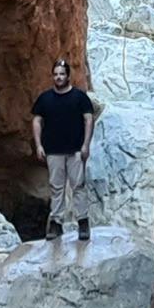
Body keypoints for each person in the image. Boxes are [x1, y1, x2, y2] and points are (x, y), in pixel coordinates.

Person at [30, 60, 102, 251]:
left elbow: (88, 119)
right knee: (56, 188)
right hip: (53, 150)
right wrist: (38, 145)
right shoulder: (45, 99)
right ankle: (56, 224)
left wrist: (86, 144)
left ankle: (83, 223)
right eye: (56, 74)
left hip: (75, 150)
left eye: (62, 74)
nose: (59, 77)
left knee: (78, 186)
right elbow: (37, 120)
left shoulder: (79, 98)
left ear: (68, 76)